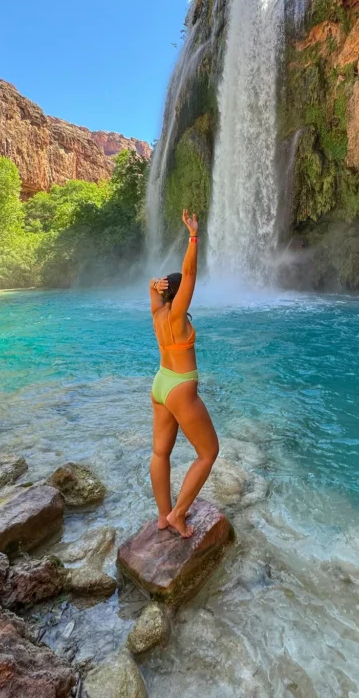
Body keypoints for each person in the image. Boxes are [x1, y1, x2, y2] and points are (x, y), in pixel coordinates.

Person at [148, 209, 219, 538]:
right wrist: (193, 235)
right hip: (180, 389)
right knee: (208, 453)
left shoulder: (159, 312)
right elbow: (189, 274)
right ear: (177, 296)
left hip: (161, 383)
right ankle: (178, 515)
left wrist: (154, 286)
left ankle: (163, 515)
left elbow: (155, 292)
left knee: (160, 452)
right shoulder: (175, 316)